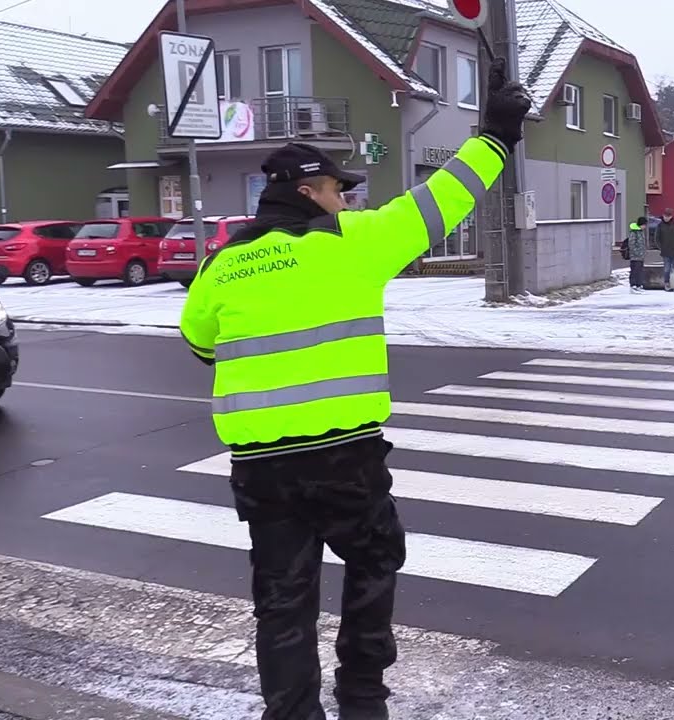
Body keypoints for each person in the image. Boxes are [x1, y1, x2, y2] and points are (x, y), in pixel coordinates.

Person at [177, 59, 532, 720]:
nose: (346, 200)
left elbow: (201, 344)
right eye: (338, 190)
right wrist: (495, 136)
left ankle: (292, 713)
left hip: (261, 467)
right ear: (310, 191)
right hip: (344, 457)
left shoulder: (221, 264)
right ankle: (362, 697)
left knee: (282, 601)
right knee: (373, 562)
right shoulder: (352, 241)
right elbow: (445, 197)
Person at [657, 208, 674, 292]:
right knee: (667, 269)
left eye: (668, 216)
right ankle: (667, 284)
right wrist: (660, 247)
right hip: (665, 251)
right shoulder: (660, 225)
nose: (666, 218)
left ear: (671, 216)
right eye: (665, 216)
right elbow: (657, 238)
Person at [627, 217, 647, 293]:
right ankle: (633, 285)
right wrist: (637, 253)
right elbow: (631, 244)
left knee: (640, 271)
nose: (645, 227)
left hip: (640, 256)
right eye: (644, 225)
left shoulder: (640, 232)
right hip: (635, 256)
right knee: (634, 270)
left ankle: (639, 284)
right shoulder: (634, 232)